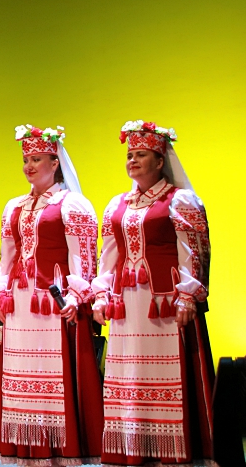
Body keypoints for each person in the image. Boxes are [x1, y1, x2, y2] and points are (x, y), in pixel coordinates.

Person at [91, 121, 214, 466]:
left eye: (141, 154)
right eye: (130, 154)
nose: (132, 160)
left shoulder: (180, 200)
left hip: (163, 302)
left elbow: (193, 249)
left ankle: (170, 448)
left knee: (163, 372)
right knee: (129, 372)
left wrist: (188, 294)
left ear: (160, 161)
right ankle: (133, 444)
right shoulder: (117, 204)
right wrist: (101, 294)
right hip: (128, 304)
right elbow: (109, 254)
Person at [0, 125, 103, 465]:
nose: (28, 166)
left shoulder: (73, 205)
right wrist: (1, 292)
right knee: (22, 372)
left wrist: (77, 295)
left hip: (54, 302)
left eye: (36, 159)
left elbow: (82, 259)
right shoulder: (14, 206)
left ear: (55, 162)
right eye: (26, 159)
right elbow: (7, 256)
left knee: (54, 372)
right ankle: (27, 447)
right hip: (22, 302)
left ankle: (59, 449)